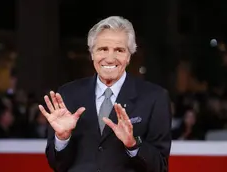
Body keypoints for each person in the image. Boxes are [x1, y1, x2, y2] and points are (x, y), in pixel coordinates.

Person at [39, 16, 172, 172]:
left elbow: (160, 167)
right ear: (92, 54)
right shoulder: (67, 94)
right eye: (103, 49)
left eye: (119, 50)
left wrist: (133, 144)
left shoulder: (155, 97)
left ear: (129, 56)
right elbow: (57, 164)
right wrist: (62, 138)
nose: (110, 58)